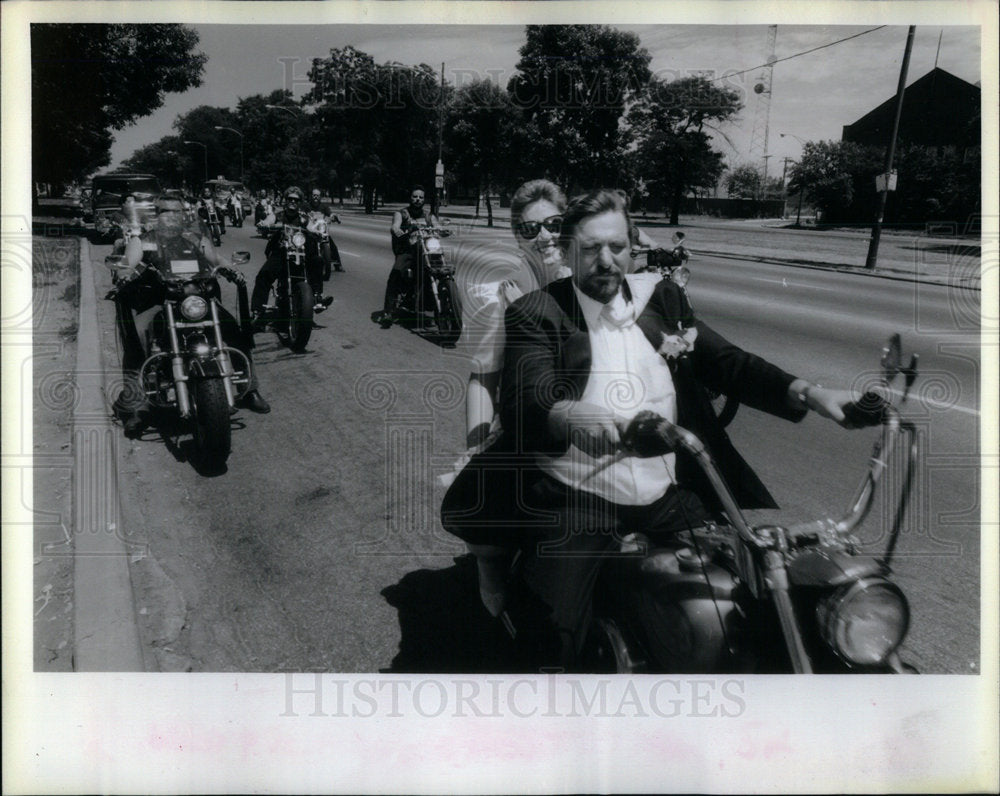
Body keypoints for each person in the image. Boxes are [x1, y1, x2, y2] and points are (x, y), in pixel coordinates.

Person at [497, 188, 861, 671]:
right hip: (578, 498)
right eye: (590, 250)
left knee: (757, 589)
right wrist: (570, 415)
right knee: (552, 635)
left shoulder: (661, 299)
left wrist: (812, 394)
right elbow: (526, 396)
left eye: (618, 247)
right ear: (567, 252)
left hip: (667, 495)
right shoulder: (537, 311)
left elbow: (728, 362)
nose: (606, 261)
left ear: (632, 245)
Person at [440, 179, 570, 617]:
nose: (546, 236)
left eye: (555, 223)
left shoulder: (593, 272)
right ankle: (490, 565)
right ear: (518, 237)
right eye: (532, 230)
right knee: (487, 507)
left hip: (594, 420)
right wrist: (476, 444)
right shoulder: (502, 293)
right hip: (528, 422)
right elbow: (483, 376)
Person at [110, 196, 270, 437]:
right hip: (161, 301)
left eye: (178, 212)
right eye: (167, 212)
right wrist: (124, 272)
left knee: (235, 332)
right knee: (138, 336)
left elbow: (216, 260)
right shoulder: (144, 241)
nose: (172, 216)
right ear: (158, 214)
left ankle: (250, 390)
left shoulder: (196, 238)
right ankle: (136, 407)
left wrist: (231, 270)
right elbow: (129, 261)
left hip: (197, 301)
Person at [250, 186, 333, 323]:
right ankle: (257, 310)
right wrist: (264, 223)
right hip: (282, 252)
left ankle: (317, 296)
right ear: (286, 200)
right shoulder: (279, 215)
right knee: (264, 275)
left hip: (300, 253)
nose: (293, 202)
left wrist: (317, 232)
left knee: (318, 260)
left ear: (300, 202)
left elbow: (311, 226)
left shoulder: (303, 218)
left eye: (296, 200)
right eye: (290, 199)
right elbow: (270, 219)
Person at [374, 185, 440, 328]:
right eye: (415, 196)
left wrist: (443, 230)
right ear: (410, 198)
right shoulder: (401, 214)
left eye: (420, 197)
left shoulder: (429, 215)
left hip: (425, 252)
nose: (418, 199)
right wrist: (396, 229)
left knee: (437, 271)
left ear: (424, 199)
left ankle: (439, 308)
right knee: (396, 272)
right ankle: (388, 312)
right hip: (407, 251)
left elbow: (437, 226)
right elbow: (395, 225)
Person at [308, 188, 343, 273]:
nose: (315, 197)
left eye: (317, 195)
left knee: (332, 246)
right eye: (314, 195)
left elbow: (330, 214)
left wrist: (334, 217)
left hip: (321, 230)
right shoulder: (306, 206)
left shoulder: (324, 207)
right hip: (310, 231)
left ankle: (338, 264)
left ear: (320, 197)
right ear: (311, 196)